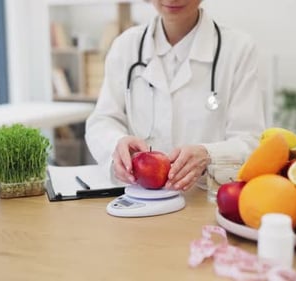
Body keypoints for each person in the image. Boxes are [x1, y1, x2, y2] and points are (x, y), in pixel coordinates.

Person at [85, 0, 265, 191]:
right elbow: (102, 121)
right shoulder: (125, 46)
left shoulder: (238, 49)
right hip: (139, 199)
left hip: (204, 200)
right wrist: (116, 143)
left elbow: (250, 141)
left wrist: (209, 154)